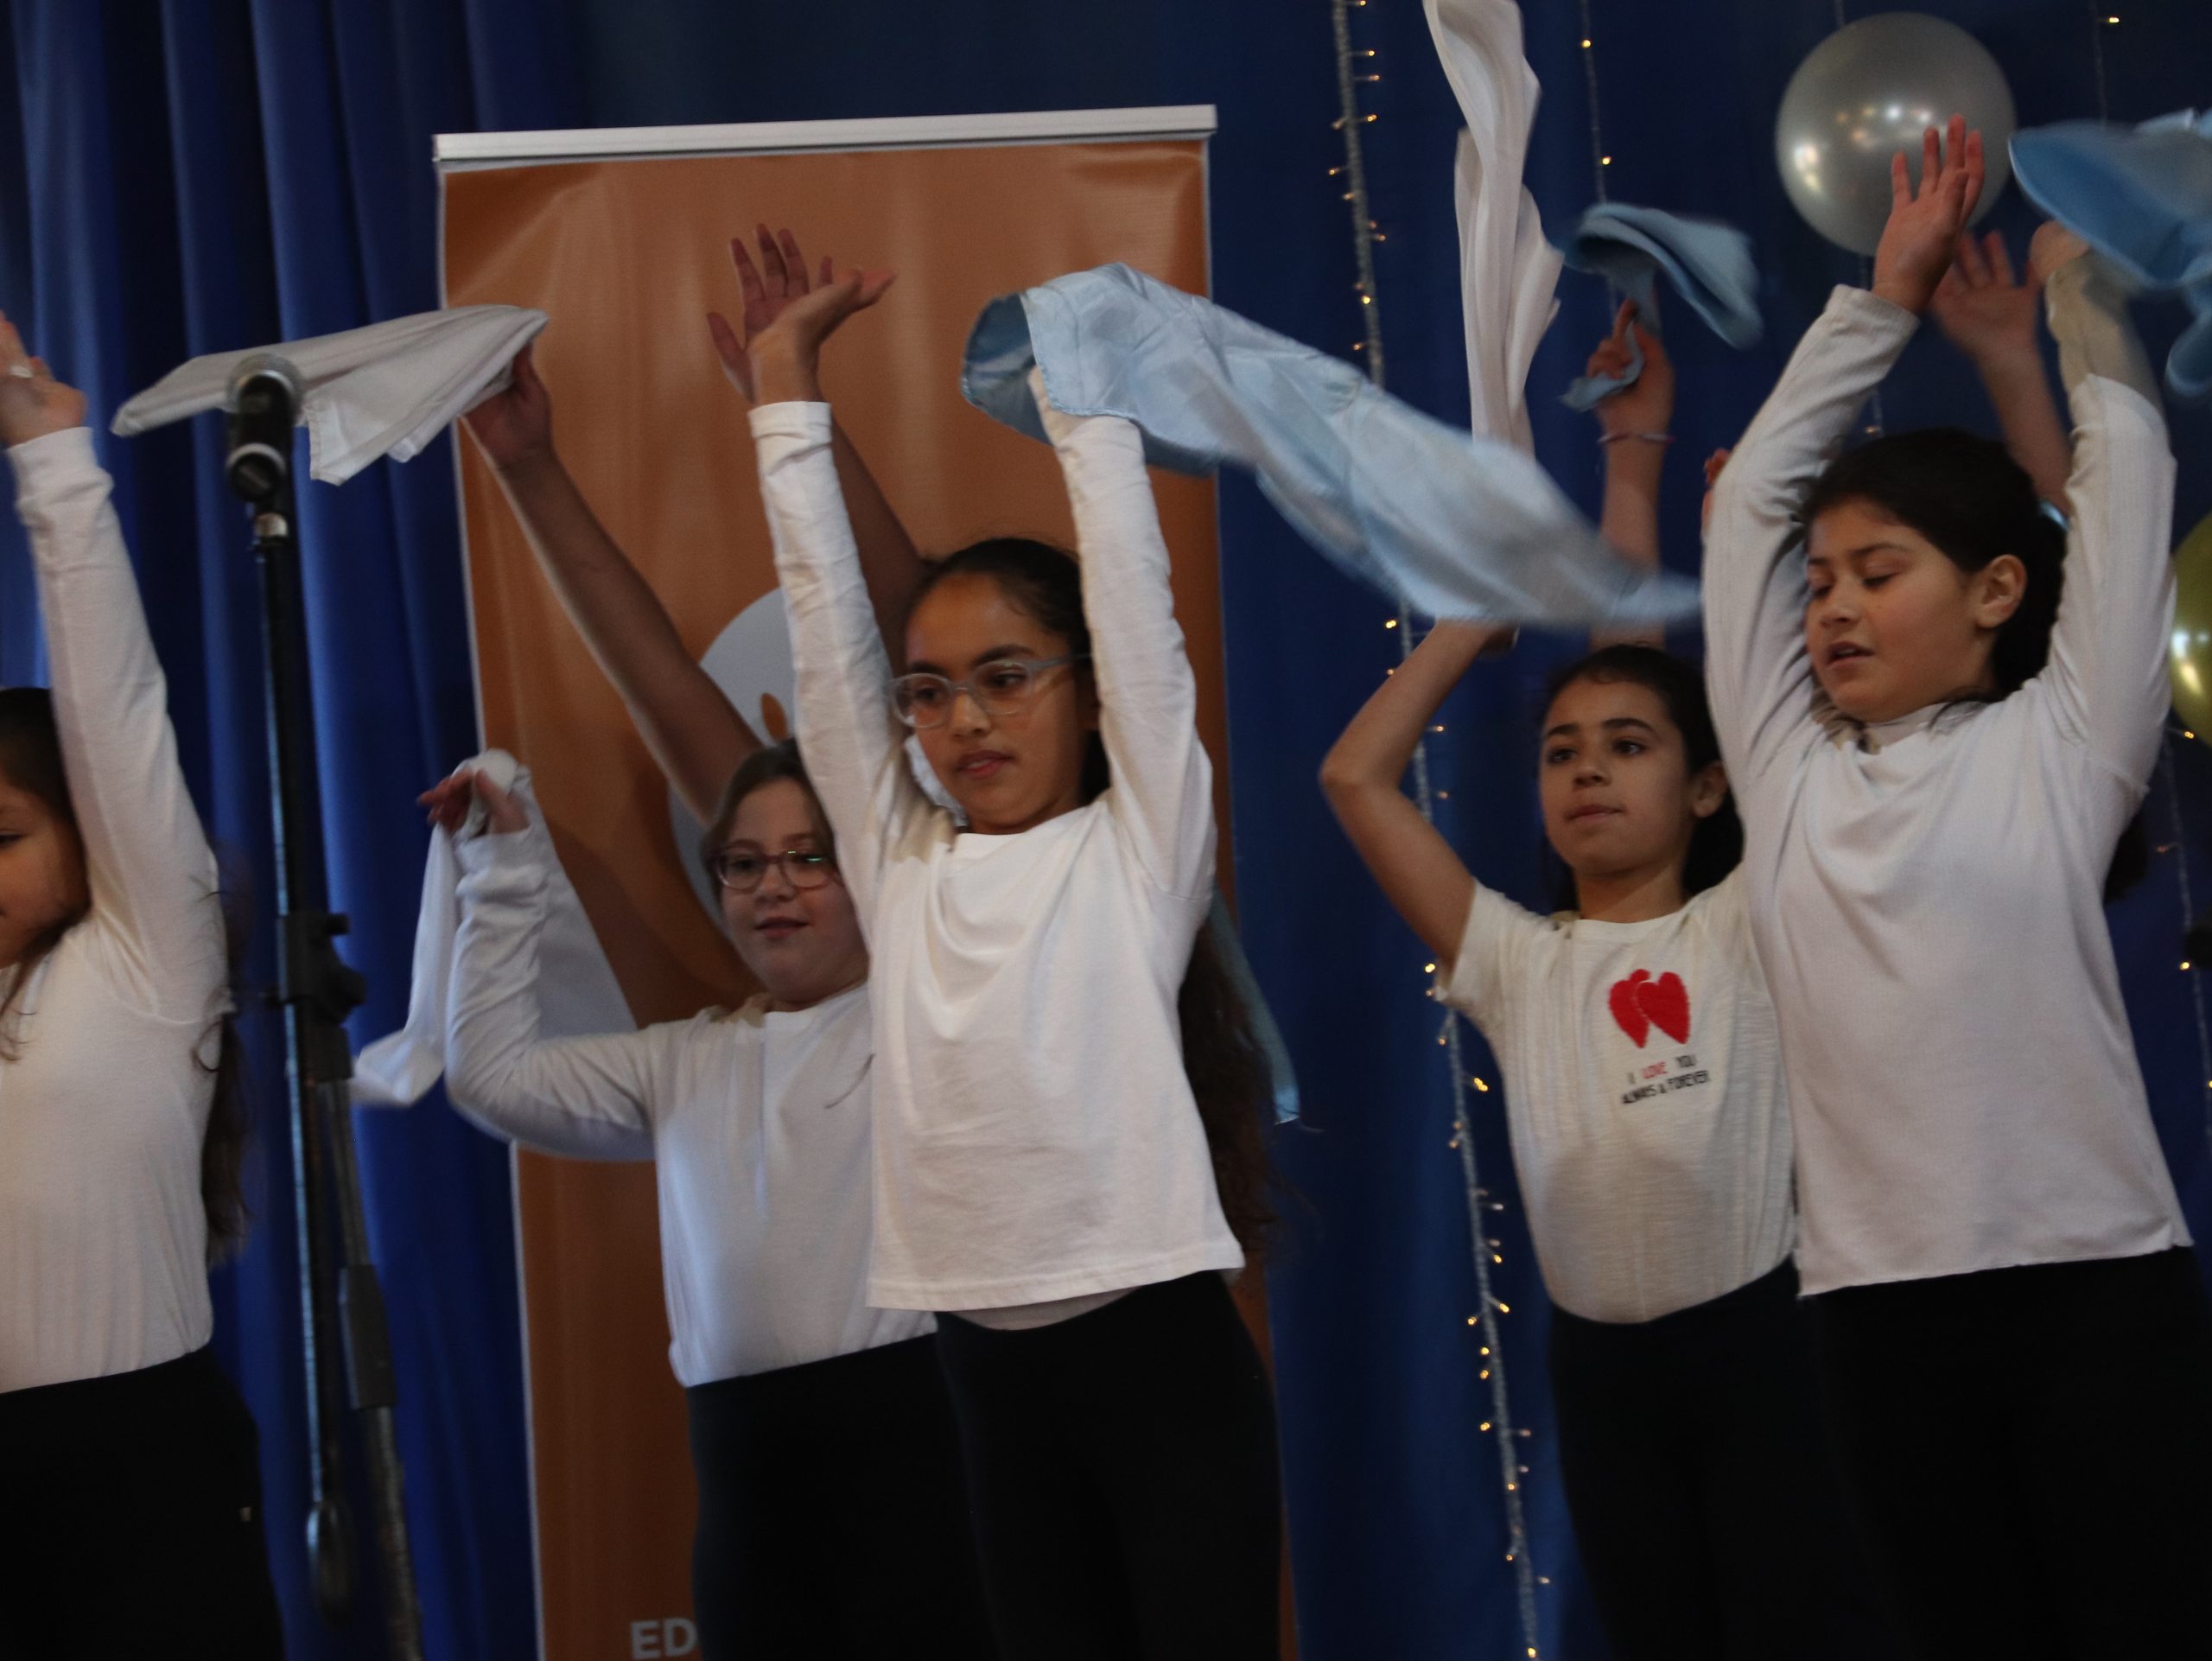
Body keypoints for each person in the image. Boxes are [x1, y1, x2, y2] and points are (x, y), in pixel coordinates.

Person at [442, 228, 994, 1660]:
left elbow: (909, 628)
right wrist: (527, 468)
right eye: (747, 863)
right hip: (751, 1490)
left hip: (927, 1450)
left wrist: (792, 398)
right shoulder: (695, 1063)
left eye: (815, 856)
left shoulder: (937, 968)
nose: (777, 886)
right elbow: (663, 689)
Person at [1702, 117, 2212, 1659]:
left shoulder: (2066, 746)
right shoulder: (1788, 771)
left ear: (1996, 591)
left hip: (2099, 1292)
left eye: (1881, 573)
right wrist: (1882, 298)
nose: (1834, 608)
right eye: (1823, 583)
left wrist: (2080, 301)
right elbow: (1751, 508)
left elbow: (2124, 489)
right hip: (1877, 1313)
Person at [1319, 308, 1885, 1660]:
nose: (1586, 769)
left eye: (1628, 749)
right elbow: (1354, 775)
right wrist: (1473, 617)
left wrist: (1645, 464)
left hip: (1764, 1350)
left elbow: (1679, 685)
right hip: (1605, 1372)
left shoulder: (1750, 919)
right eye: (1561, 751)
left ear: (1709, 788)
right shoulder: (1520, 961)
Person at [743, 261, 1281, 1660]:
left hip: (1159, 1359)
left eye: (1006, 677)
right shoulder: (899, 861)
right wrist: (784, 387)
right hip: (986, 1375)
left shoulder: (1137, 846)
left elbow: (1137, 609)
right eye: (930, 691)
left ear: (1087, 694)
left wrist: (1083, 403)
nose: (965, 719)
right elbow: (823, 628)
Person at [0, 318, 283, 1658]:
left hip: (141, 1471)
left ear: (84, 832)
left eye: (4, 835)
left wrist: (53, 465)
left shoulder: (144, 966)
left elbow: (117, 718)